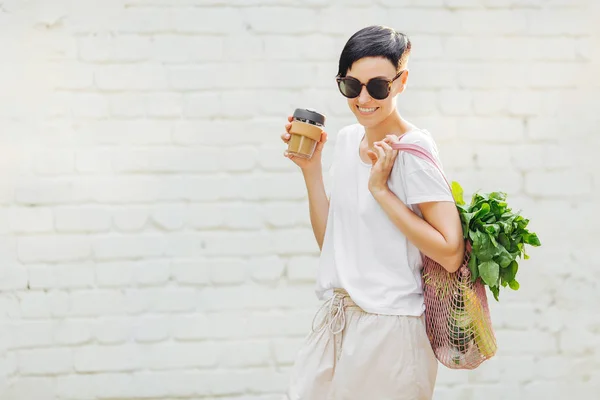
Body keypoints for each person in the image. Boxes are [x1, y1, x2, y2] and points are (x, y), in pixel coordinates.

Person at [281, 25, 464, 400]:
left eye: (377, 86)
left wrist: (381, 191)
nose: (363, 98)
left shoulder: (413, 150)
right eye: (351, 86)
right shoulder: (348, 140)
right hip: (342, 322)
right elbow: (333, 244)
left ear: (401, 82)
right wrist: (311, 171)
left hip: (393, 330)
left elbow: (450, 251)